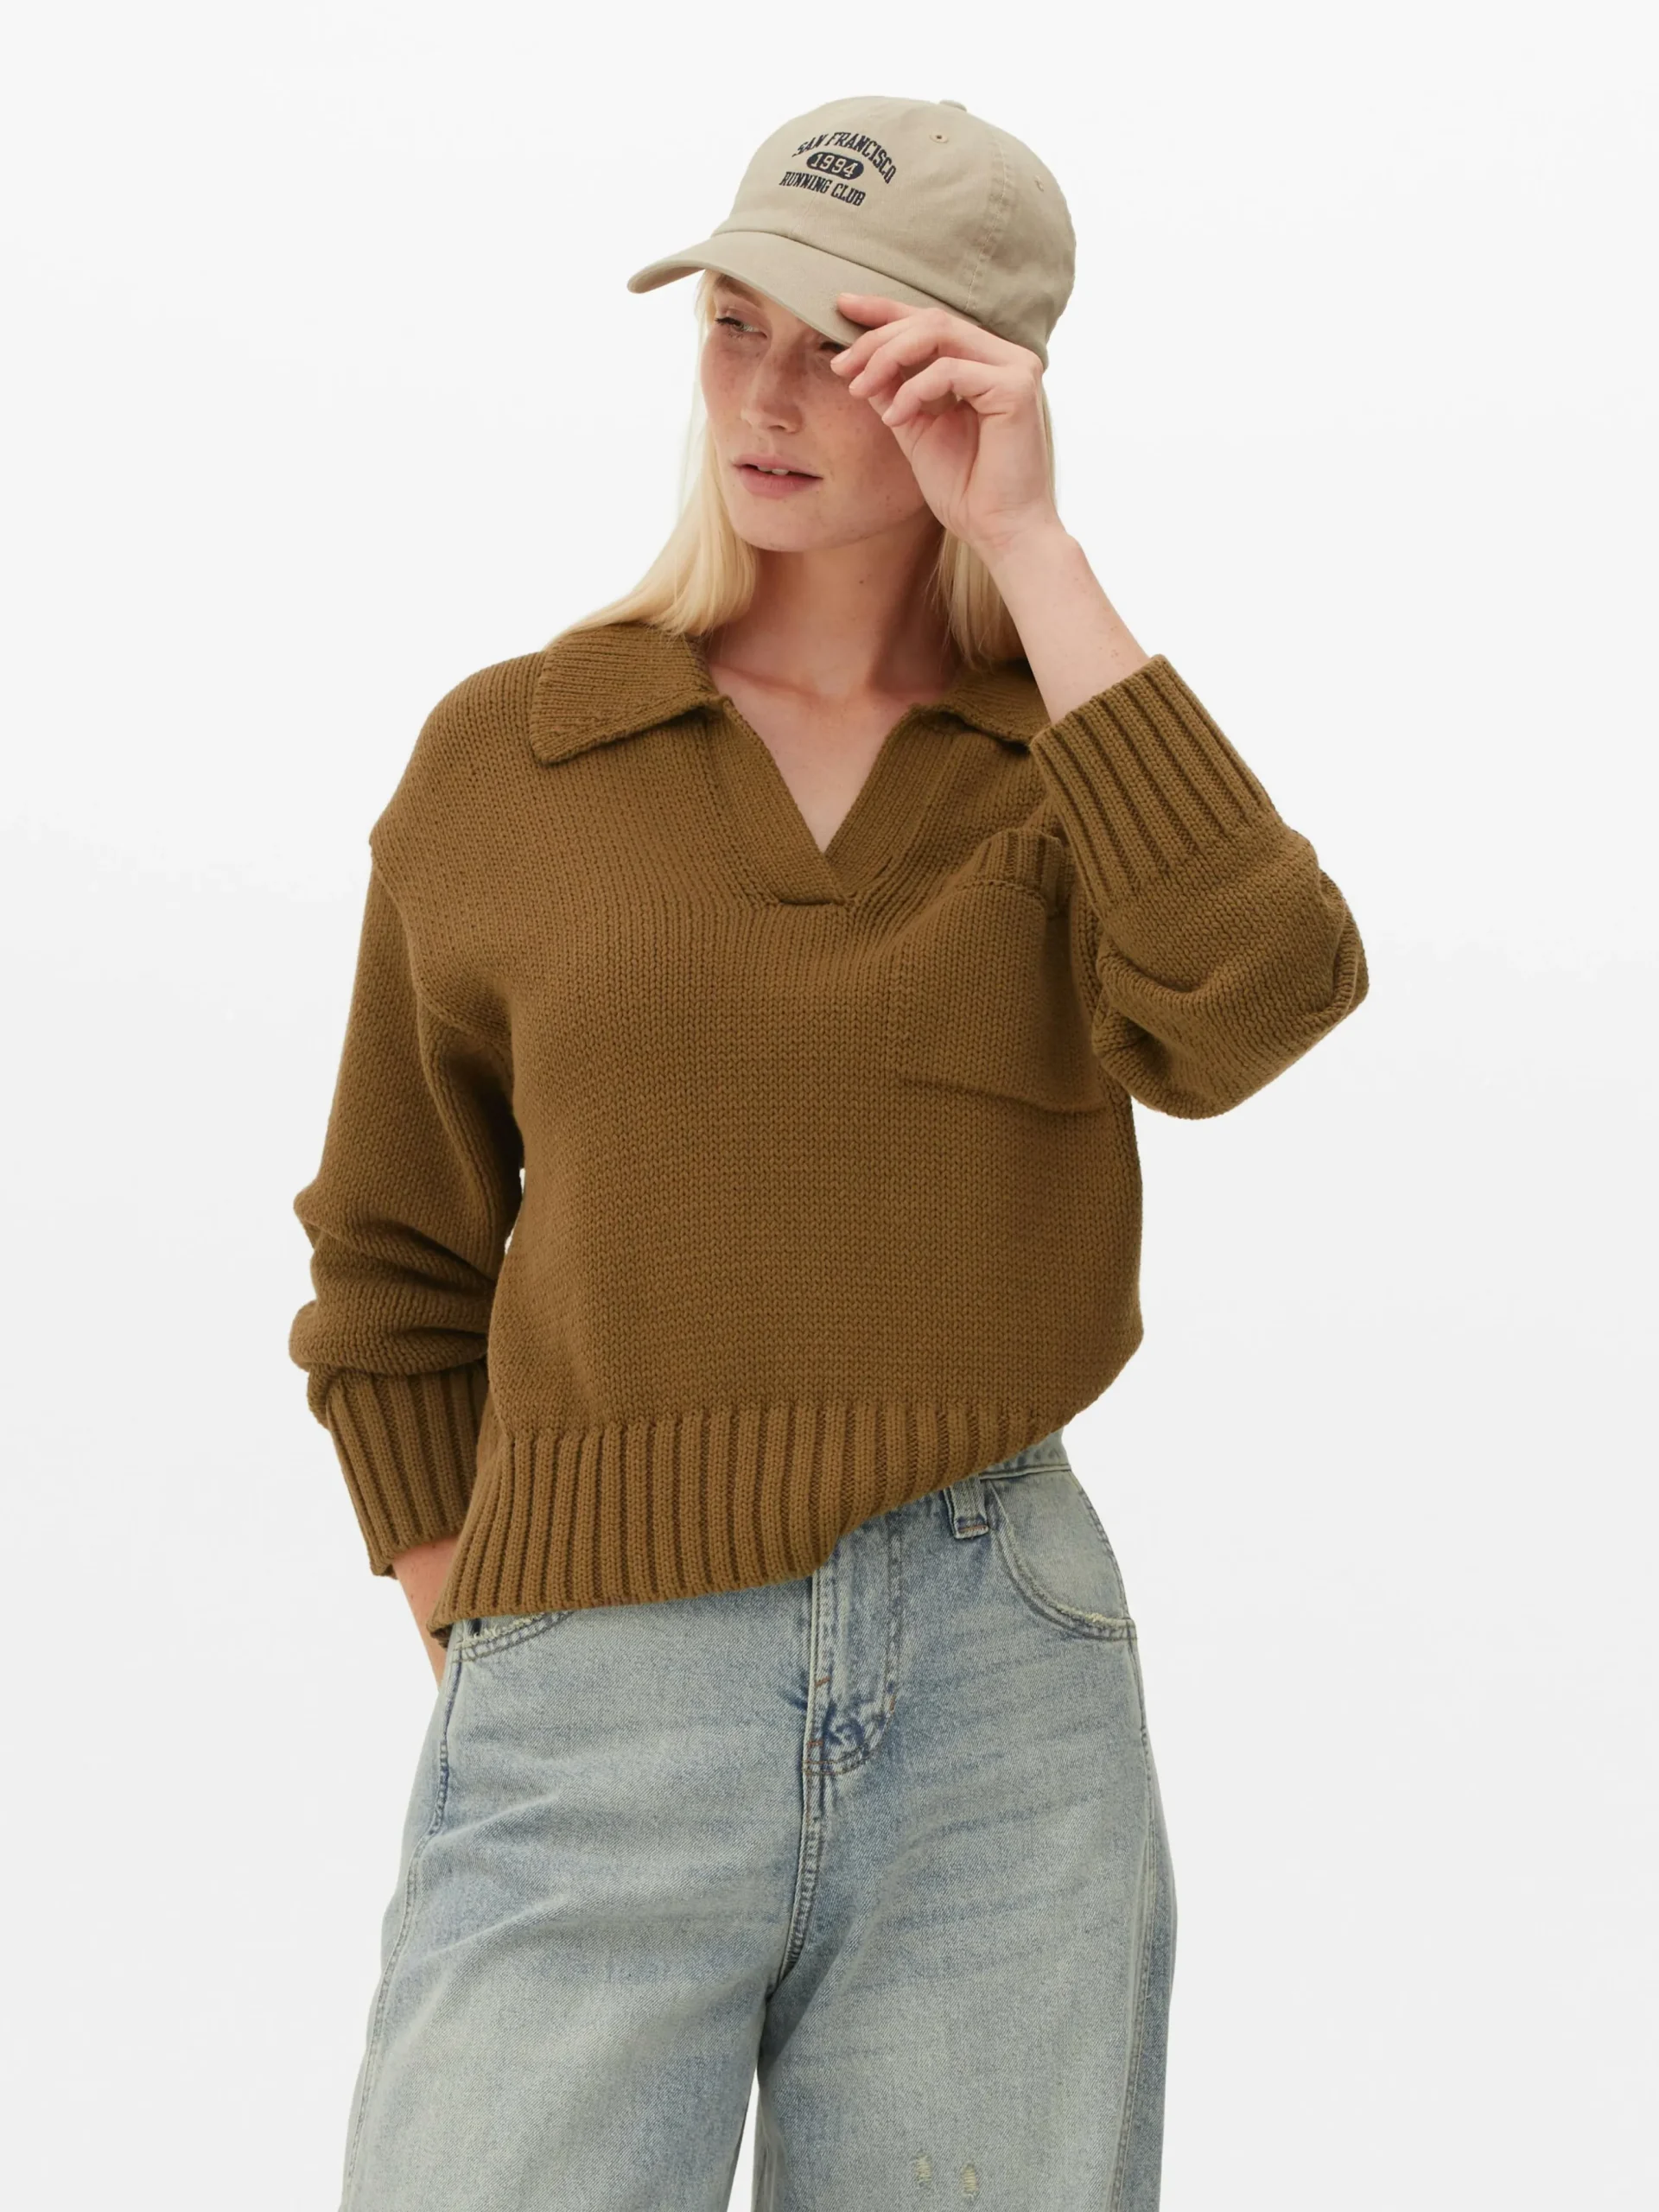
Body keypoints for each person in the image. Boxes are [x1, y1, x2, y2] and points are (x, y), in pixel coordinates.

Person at [289, 92, 1368, 2212]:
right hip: (591, 1666)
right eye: (733, 325)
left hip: (1000, 1684)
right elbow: (394, 1257)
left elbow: (1260, 1000)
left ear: (976, 385)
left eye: (846, 347)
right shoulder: (523, 754)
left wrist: (1037, 555)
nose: (767, 396)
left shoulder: (1071, 773)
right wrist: (495, 1622)